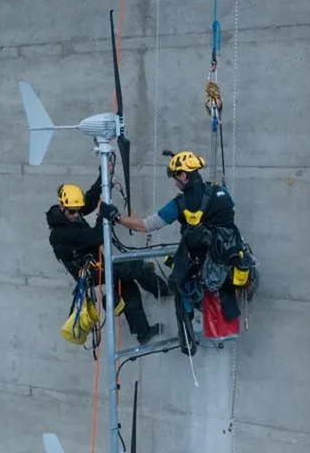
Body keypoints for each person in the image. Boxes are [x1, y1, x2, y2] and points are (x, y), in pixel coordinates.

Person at [99, 150, 256, 353]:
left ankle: (188, 341)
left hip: (208, 265)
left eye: (176, 178)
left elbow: (146, 225)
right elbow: (226, 213)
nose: (175, 183)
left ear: (184, 175)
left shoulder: (180, 204)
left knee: (179, 283)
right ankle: (245, 284)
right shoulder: (222, 192)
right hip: (233, 255)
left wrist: (115, 216)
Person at [46, 181, 170, 345]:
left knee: (128, 286)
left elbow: (89, 200)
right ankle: (162, 290)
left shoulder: (69, 215)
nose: (77, 214)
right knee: (135, 266)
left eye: (78, 210)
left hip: (97, 264)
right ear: (62, 207)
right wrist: (103, 217)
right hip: (89, 272)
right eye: (72, 211)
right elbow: (97, 237)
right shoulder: (60, 233)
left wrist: (103, 177)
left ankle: (143, 332)